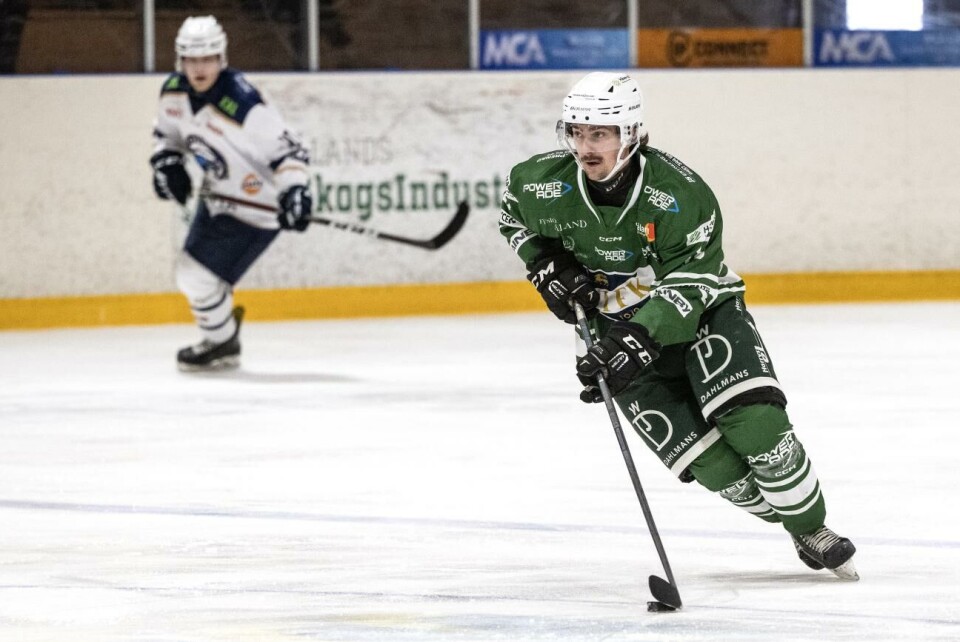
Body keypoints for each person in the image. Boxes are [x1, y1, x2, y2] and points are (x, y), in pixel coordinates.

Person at [498, 72, 858, 580]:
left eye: (599, 133)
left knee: (755, 425)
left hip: (704, 316)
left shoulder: (679, 194)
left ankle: (812, 526)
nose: (584, 146)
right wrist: (546, 265)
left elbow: (691, 281)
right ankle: (792, 524)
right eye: (576, 132)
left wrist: (640, 336)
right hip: (613, 335)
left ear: (632, 134)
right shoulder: (540, 182)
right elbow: (513, 219)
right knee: (715, 467)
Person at [150, 15, 312, 371]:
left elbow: (290, 151)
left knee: (195, 276)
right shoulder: (173, 93)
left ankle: (221, 342)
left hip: (256, 205)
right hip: (217, 197)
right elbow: (167, 136)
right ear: (180, 61)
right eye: (192, 59)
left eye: (207, 58)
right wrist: (166, 163)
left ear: (221, 59)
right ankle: (222, 340)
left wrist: (295, 190)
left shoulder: (242, 102)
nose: (199, 67)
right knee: (190, 276)